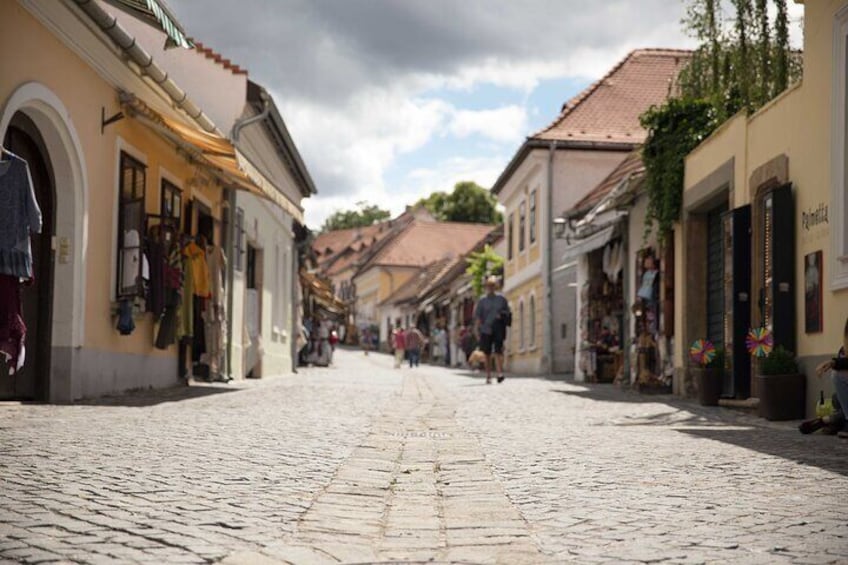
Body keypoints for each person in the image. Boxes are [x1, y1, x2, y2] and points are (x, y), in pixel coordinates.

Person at [813, 316, 848, 438]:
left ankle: (827, 420)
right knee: (837, 398)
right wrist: (834, 363)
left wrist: (833, 363)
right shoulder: (844, 350)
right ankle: (833, 421)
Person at [474, 275, 510, 384]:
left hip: (498, 328)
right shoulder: (482, 301)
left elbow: (508, 313)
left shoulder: (501, 299)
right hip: (486, 329)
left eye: (493, 286)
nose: (491, 288)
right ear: (486, 287)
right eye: (489, 286)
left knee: (499, 351)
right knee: (487, 353)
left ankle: (500, 373)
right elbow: (478, 317)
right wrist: (476, 330)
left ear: (496, 286)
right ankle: (488, 375)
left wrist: (502, 316)